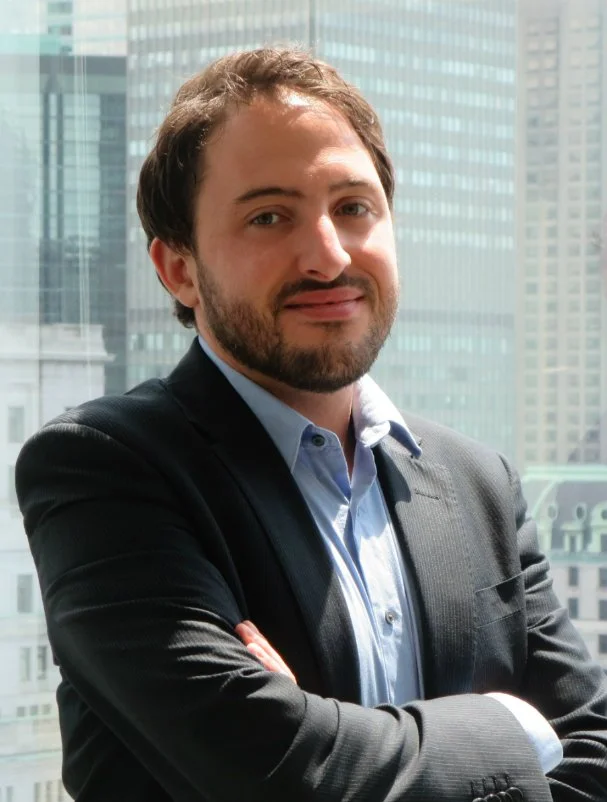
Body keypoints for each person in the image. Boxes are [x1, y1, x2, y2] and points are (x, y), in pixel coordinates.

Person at [16, 47, 607, 802]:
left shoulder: (477, 484)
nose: (327, 256)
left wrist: (323, 730)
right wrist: (511, 728)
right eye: (269, 216)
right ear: (179, 270)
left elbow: (593, 760)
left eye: (353, 208)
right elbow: (278, 774)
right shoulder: (105, 468)